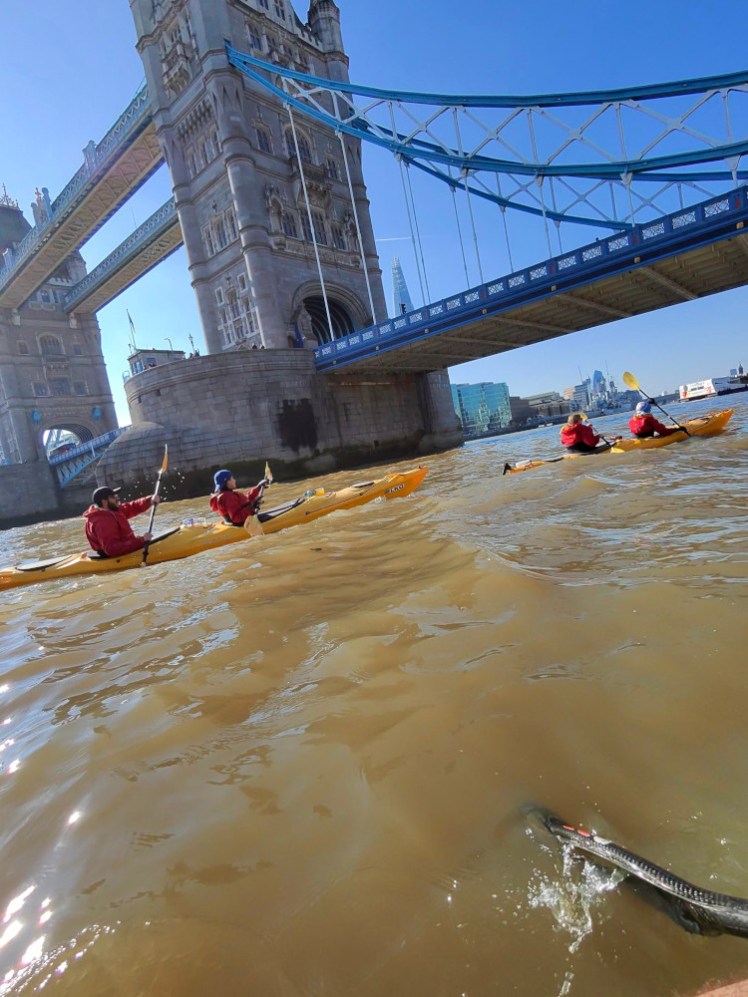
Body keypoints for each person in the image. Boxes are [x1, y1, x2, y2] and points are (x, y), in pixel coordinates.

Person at [83, 486, 161, 557]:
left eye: (116, 495)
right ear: (104, 502)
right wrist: (141, 540)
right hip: (116, 555)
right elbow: (112, 549)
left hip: (127, 547)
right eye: (113, 497)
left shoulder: (112, 510)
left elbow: (132, 507)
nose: (117, 498)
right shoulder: (102, 522)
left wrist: (149, 500)